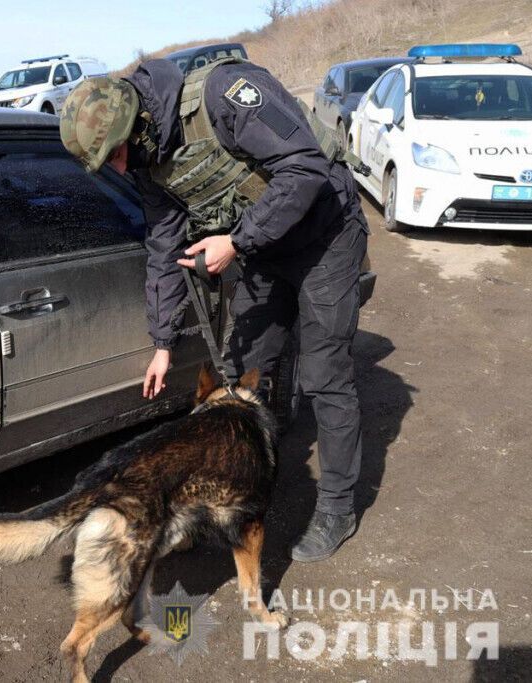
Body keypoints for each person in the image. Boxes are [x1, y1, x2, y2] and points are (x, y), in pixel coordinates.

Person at [60, 57, 369, 562]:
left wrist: (239, 240)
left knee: (324, 376)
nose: (118, 168)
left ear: (133, 125)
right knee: (239, 371)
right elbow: (163, 248)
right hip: (264, 249)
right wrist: (162, 344)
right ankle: (239, 488)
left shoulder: (225, 94)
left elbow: (305, 167)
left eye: (115, 154)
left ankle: (336, 507)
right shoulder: (147, 158)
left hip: (324, 236)